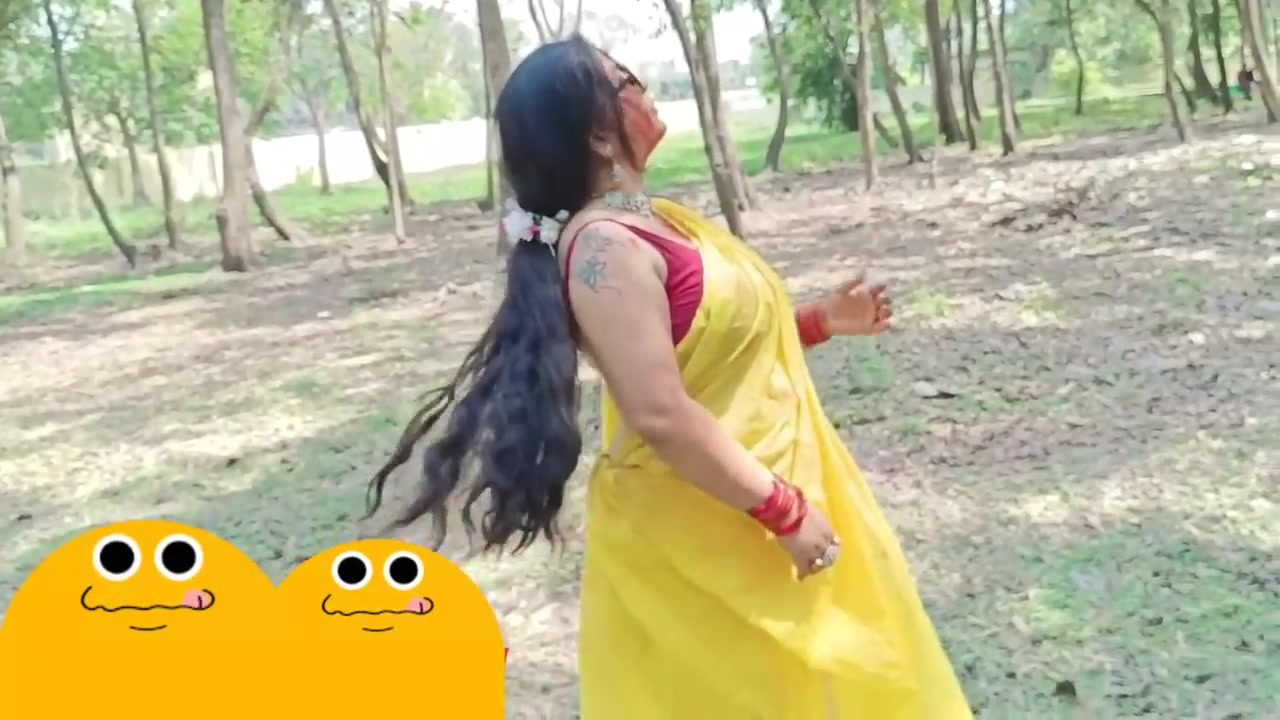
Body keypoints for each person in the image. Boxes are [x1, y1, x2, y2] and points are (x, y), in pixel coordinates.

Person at [367, 34, 971, 719]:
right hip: (702, 537)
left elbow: (713, 346)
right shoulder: (603, 248)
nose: (645, 91)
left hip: (750, 507)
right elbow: (659, 411)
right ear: (600, 135)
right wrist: (785, 511)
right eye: (625, 81)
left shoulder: (650, 222)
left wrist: (819, 321)